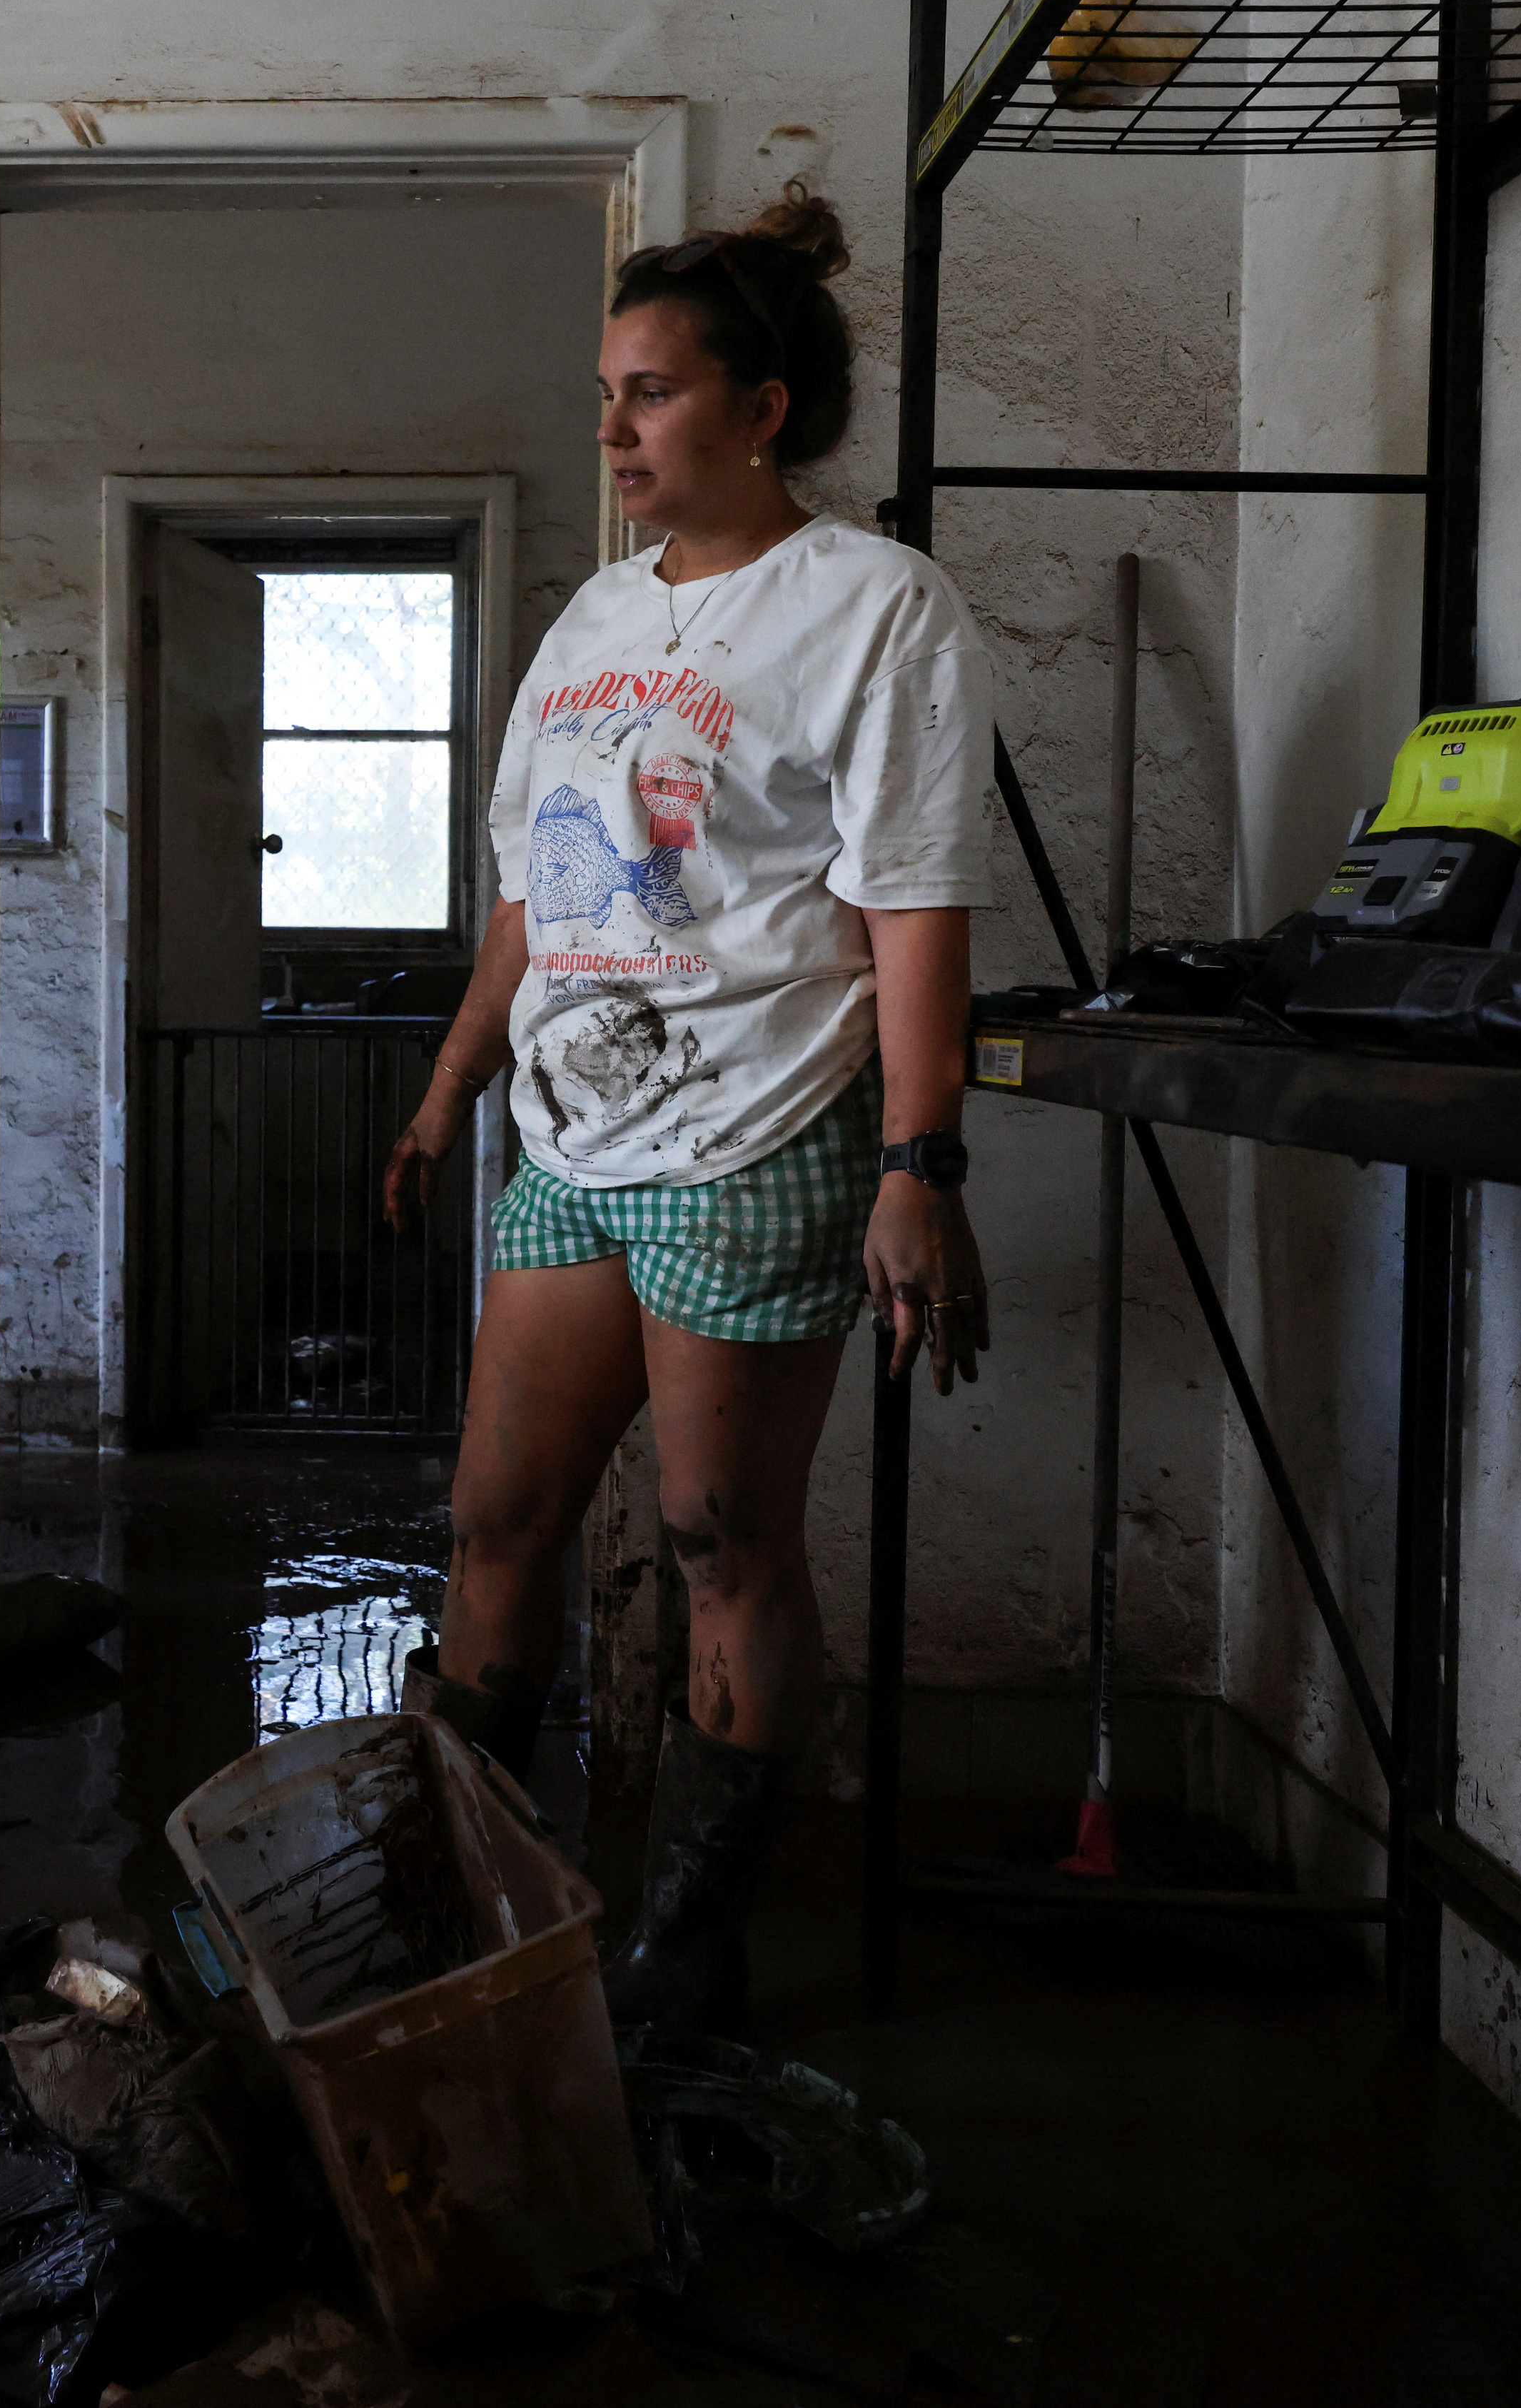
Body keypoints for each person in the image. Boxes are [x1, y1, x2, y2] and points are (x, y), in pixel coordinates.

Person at [380, 184, 997, 2038]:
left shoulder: (873, 608)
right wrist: (443, 1090)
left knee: (722, 1535)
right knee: (497, 1519)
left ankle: (687, 1944)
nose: (611, 429)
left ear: (763, 407)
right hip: (563, 1139)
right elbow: (528, 891)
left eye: (649, 393)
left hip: (758, 1134)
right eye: (604, 392)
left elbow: (913, 905)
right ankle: (454, 1905)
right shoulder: (587, 618)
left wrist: (916, 1163)